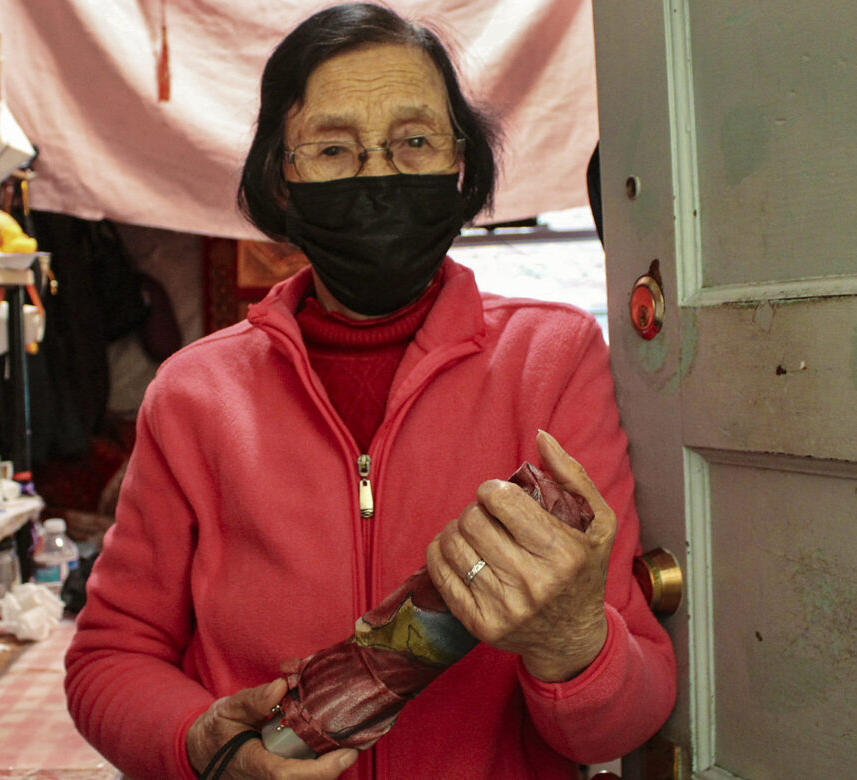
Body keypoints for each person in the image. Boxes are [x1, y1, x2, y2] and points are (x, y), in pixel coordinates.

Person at [64, 4, 676, 779]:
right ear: (280, 181)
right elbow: (108, 660)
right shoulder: (193, 395)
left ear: (461, 166)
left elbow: (623, 721)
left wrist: (571, 641)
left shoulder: (553, 358)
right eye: (332, 149)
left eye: (415, 141)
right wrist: (205, 744)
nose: (379, 175)